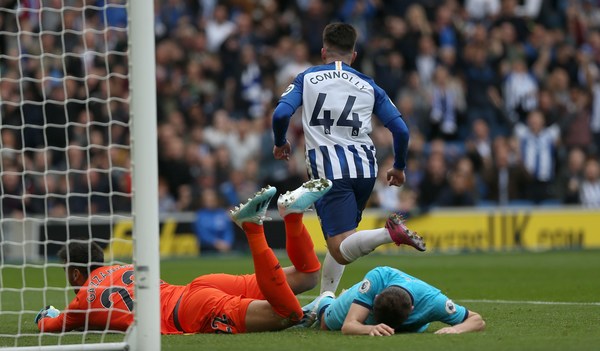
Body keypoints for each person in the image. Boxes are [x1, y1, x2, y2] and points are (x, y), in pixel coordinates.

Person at [36, 179, 332, 334]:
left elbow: (50, 325)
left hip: (191, 311)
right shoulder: (119, 267)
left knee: (288, 315)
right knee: (308, 277)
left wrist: (44, 315)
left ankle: (253, 229)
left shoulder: (82, 300)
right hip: (196, 287)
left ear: (75, 274)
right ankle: (292, 216)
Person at [271, 22, 425, 295]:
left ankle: (389, 233)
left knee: (341, 249)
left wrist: (281, 141)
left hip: (330, 171)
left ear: (323, 52)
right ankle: (325, 300)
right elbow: (400, 129)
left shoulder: (306, 78)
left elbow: (281, 114)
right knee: (343, 237)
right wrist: (399, 167)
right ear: (353, 55)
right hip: (365, 169)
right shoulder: (368, 84)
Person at [301, 266, 486, 336]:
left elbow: (477, 320)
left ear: (413, 309)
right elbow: (349, 326)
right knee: (325, 323)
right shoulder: (376, 279)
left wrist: (456, 329)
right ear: (376, 300)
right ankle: (325, 299)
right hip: (359, 298)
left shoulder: (434, 301)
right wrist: (369, 328)